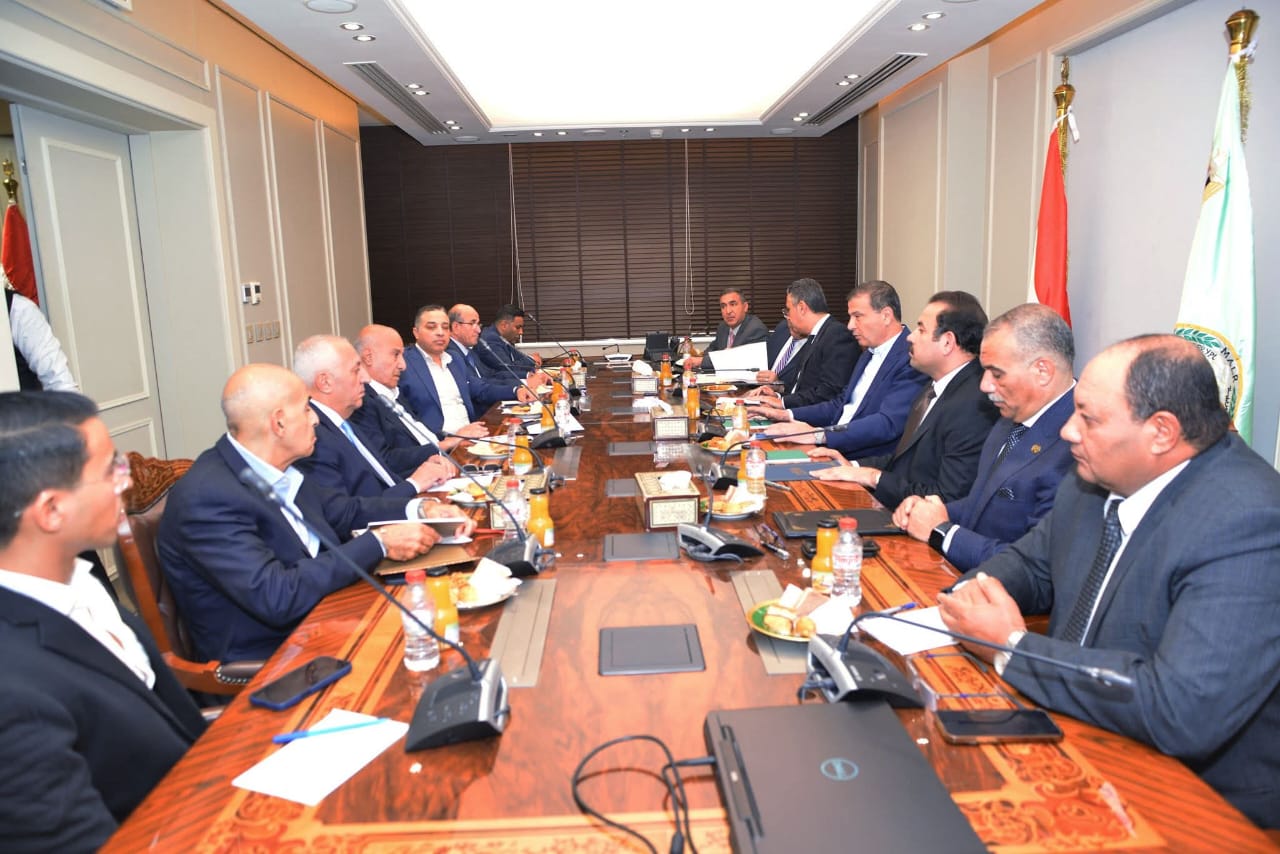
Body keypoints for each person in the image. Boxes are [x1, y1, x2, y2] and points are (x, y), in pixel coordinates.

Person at [937, 335, 1280, 828]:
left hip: (1193, 801)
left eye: (1089, 419)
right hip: (1067, 729)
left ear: (1161, 432)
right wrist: (969, 597)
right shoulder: (1092, 479)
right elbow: (1030, 565)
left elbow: (1180, 710)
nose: (1068, 431)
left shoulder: (1248, 520)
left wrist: (1012, 647)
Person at [0, 390, 206, 851]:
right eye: (109, 469)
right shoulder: (11, 693)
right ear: (51, 510)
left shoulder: (80, 580)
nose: (127, 478)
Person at [158, 364, 465, 662]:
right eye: (306, 409)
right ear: (279, 423)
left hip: (332, 612)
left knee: (449, 611)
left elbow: (347, 510)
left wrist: (421, 507)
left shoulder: (279, 468)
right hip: (278, 656)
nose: (316, 419)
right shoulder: (207, 497)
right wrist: (380, 542)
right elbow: (277, 596)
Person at [894, 304, 1076, 570]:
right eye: (984, 371)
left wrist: (943, 531)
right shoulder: (1009, 416)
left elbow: (1037, 567)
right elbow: (986, 501)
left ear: (1043, 371)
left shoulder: (1078, 445)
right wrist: (931, 510)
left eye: (997, 374)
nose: (984, 385)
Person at [810, 290, 997, 509]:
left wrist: (873, 477)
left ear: (947, 342)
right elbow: (905, 458)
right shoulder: (932, 386)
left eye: (921, 330)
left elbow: (945, 498)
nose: (910, 337)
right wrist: (853, 466)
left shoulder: (974, 406)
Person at [759, 280, 926, 457]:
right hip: (830, 444)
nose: (850, 325)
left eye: (857, 316)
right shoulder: (868, 353)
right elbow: (840, 404)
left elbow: (886, 423)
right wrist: (787, 414)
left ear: (886, 315)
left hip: (859, 458)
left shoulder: (911, 359)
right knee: (757, 456)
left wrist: (819, 435)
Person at [292, 334, 454, 499]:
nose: (366, 378)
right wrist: (414, 484)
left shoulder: (344, 422)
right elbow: (345, 510)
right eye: (356, 370)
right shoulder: (313, 437)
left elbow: (381, 478)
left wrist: (424, 471)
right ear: (325, 382)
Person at [350, 323, 472, 462]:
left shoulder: (394, 392)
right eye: (396, 355)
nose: (403, 365)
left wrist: (456, 437)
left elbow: (419, 434)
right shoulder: (361, 402)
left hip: (442, 458)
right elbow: (384, 459)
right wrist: (445, 445)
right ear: (368, 357)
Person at [742, 278, 858, 409]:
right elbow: (801, 388)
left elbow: (828, 393)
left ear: (802, 308)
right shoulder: (815, 334)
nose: (787, 317)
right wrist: (777, 395)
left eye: (788, 310)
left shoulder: (837, 335)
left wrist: (782, 403)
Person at [399, 304, 490, 439]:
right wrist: (450, 439)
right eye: (432, 327)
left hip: (473, 435)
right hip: (440, 442)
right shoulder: (403, 363)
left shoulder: (455, 358)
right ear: (416, 332)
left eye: (445, 327)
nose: (440, 333)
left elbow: (479, 388)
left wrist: (516, 390)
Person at [447, 303, 540, 407]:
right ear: (456, 327)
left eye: (478, 324)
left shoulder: (469, 351)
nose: (478, 330)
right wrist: (517, 389)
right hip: (479, 412)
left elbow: (492, 375)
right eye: (472, 323)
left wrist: (525, 380)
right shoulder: (450, 355)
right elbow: (479, 388)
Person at [682, 288, 769, 371]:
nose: (728, 311)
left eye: (733, 304)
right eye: (723, 306)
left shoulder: (755, 329)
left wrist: (701, 361)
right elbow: (713, 348)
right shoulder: (723, 327)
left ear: (745, 307)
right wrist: (697, 358)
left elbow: (735, 360)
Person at [476, 303, 541, 378]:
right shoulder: (490, 339)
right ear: (504, 325)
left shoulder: (503, 338)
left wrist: (532, 362)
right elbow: (508, 368)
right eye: (518, 327)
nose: (521, 332)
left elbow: (519, 358)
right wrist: (531, 359)